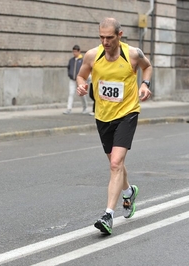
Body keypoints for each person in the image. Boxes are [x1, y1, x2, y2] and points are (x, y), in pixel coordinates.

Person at [76, 17, 152, 235]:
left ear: (120, 35)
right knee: (114, 163)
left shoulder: (133, 54)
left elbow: (148, 68)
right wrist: (82, 86)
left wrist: (145, 85)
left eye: (109, 37)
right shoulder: (93, 55)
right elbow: (81, 75)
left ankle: (108, 215)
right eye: (101, 37)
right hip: (103, 116)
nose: (105, 41)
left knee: (116, 162)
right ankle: (129, 191)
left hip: (127, 113)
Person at [64, 45, 88, 114]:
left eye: (75, 52)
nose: (74, 53)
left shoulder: (82, 60)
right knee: (71, 93)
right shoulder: (71, 60)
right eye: (73, 51)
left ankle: (85, 107)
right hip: (72, 80)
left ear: (79, 51)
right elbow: (68, 68)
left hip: (80, 80)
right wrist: (70, 74)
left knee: (82, 95)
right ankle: (69, 108)